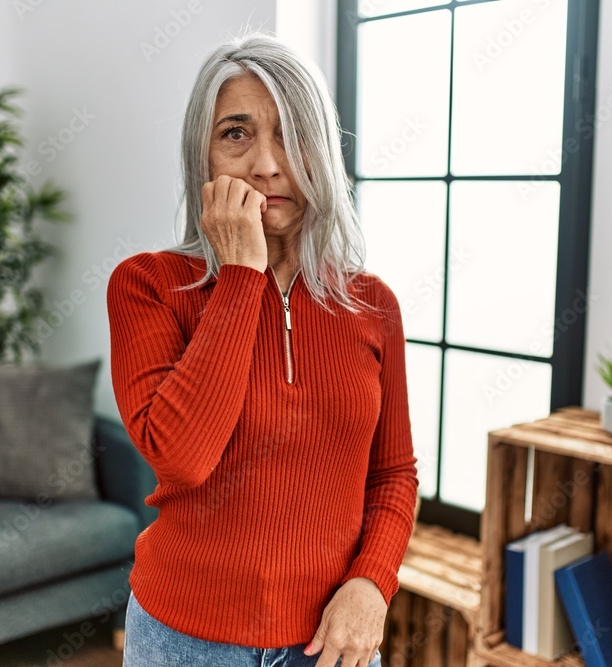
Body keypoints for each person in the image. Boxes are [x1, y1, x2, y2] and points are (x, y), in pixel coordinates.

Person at [107, 32, 418, 667]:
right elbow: (182, 459)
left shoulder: (372, 304)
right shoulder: (146, 286)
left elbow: (392, 474)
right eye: (236, 133)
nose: (267, 165)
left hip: (333, 640)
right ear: (203, 157)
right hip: (183, 642)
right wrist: (242, 272)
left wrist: (372, 583)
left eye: (291, 134)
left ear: (322, 155)